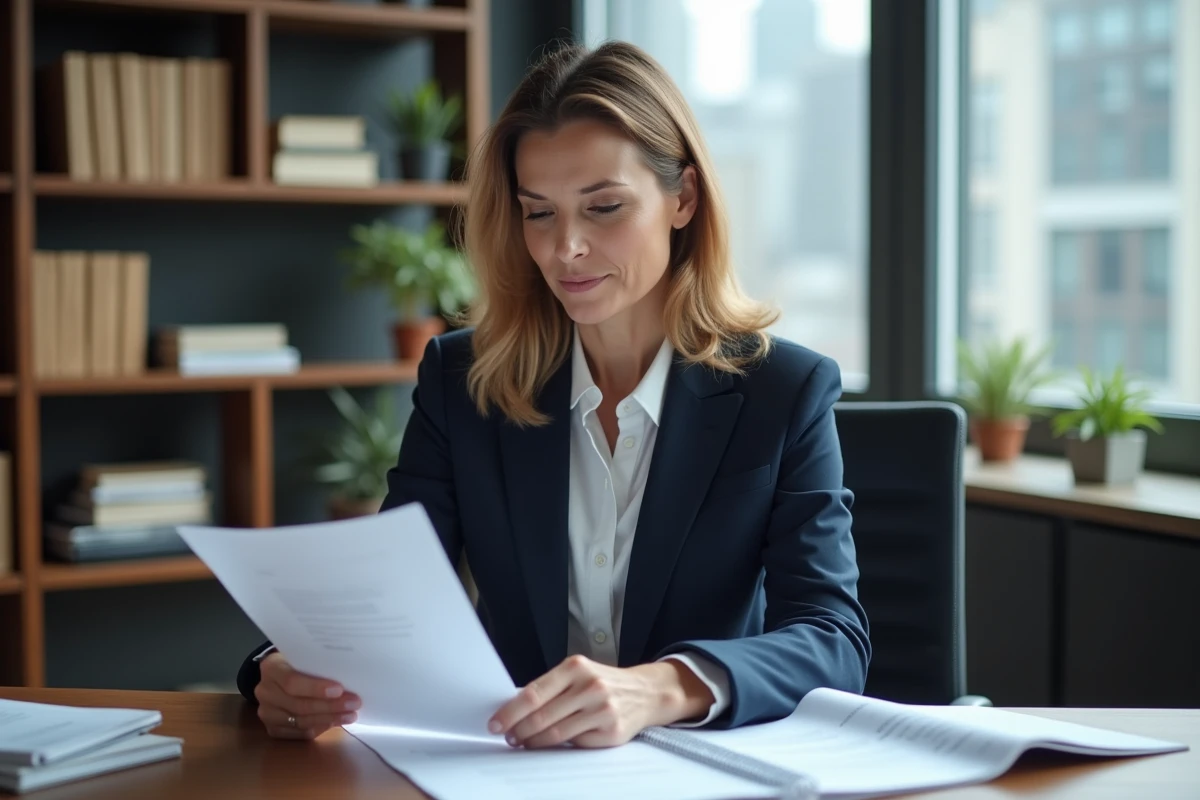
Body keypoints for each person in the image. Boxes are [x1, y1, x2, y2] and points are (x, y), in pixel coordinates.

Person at [237, 40, 870, 749]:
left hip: (696, 771)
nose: (565, 247)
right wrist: (281, 668)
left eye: (603, 207)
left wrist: (661, 688)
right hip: (506, 766)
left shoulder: (783, 392)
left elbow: (832, 638)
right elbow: (385, 595)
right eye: (539, 213)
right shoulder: (463, 380)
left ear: (683, 198)